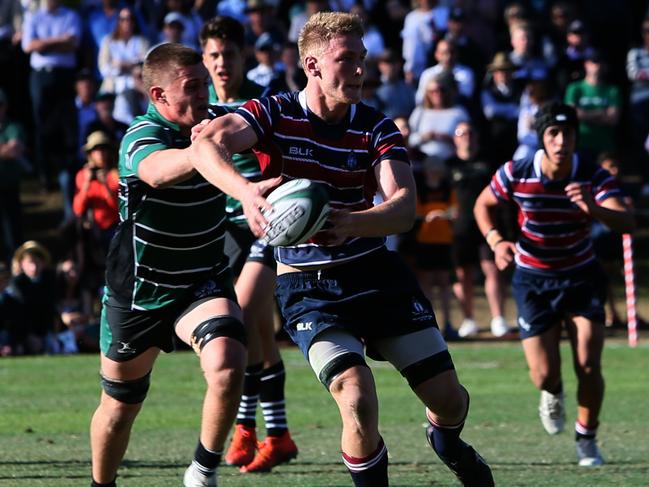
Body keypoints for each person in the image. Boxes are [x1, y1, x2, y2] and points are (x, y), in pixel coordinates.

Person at [192, 12, 493, 486]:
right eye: (345, 60)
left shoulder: (376, 128)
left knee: (449, 399)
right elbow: (206, 142)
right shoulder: (274, 113)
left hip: (375, 273)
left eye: (362, 59)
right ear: (311, 65)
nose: (359, 70)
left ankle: (447, 440)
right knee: (355, 397)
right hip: (308, 287)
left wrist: (351, 222)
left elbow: (403, 207)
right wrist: (246, 192)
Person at [88, 42, 280, 487]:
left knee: (230, 363)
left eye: (205, 86)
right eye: (191, 88)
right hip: (139, 291)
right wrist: (207, 154)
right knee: (119, 408)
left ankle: (202, 472)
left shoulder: (215, 121)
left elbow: (275, 120)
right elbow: (156, 171)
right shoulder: (140, 135)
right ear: (159, 96)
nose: (203, 97)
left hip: (200, 281)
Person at [473, 102, 635, 467]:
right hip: (532, 278)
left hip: (581, 276)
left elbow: (627, 221)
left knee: (589, 364)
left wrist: (595, 208)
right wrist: (498, 242)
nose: (562, 141)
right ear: (542, 138)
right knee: (545, 375)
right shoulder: (517, 171)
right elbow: (483, 206)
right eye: (554, 134)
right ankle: (552, 392)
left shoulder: (591, 175)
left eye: (568, 134)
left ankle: (587, 438)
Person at [199, 15, 298, 473]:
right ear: (203, 58)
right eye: (214, 55)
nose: (222, 63)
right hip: (223, 232)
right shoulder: (197, 107)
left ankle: (248, 429)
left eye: (229, 55)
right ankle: (272, 434)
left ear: (244, 57)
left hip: (267, 224)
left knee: (239, 314)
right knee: (257, 333)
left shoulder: (265, 103)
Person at [448, 121, 511, 338]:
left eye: (469, 132)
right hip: (460, 228)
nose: (466, 136)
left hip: (486, 226)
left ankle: (498, 318)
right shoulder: (450, 165)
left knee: (491, 269)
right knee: (462, 274)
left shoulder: (487, 162)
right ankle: (468, 319)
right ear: (455, 139)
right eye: (461, 133)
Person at [564, 51, 621, 161]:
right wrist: (600, 113)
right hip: (581, 144)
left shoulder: (613, 90)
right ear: (586, 64)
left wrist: (583, 115)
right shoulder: (574, 88)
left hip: (605, 146)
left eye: (600, 62)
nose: (598, 66)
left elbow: (613, 119)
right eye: (594, 62)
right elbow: (571, 115)